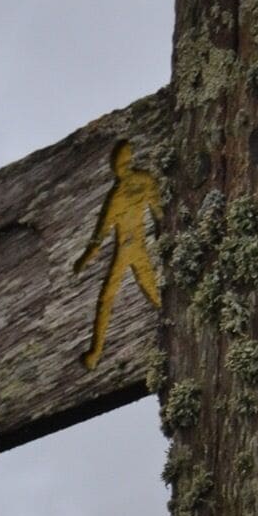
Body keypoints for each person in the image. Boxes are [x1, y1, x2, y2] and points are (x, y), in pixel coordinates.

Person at [74, 139, 162, 367]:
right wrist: (84, 261)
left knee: (151, 292)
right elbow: (99, 237)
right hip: (126, 251)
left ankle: (177, 320)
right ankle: (96, 353)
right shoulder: (120, 194)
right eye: (118, 163)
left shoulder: (142, 182)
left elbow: (160, 212)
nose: (121, 166)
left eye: (123, 160)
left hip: (137, 250)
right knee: (108, 297)